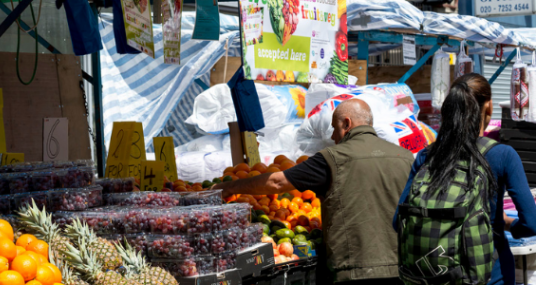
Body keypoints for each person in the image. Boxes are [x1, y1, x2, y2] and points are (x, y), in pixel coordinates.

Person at [212, 99, 414, 284]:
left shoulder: (333, 158)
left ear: (346, 123)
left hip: (353, 270)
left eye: (335, 129)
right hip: (401, 267)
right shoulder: (405, 157)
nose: (334, 137)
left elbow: (276, 183)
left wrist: (228, 187)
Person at [393, 73, 536, 285]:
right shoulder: (502, 155)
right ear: (489, 107)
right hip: (489, 274)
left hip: (427, 276)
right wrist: (508, 224)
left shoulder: (427, 155)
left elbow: (398, 220)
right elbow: (531, 224)